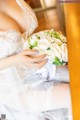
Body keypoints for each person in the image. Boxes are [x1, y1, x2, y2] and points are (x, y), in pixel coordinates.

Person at [0, 0, 72, 120]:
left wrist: (48, 44)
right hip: (15, 89)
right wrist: (16, 60)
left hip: (39, 67)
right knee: (75, 95)